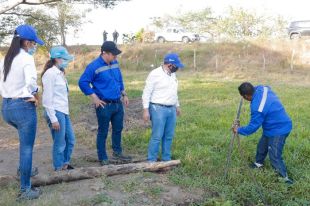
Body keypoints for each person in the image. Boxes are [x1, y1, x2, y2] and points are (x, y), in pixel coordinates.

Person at [0, 24, 44, 200]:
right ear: (26, 42)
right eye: (33, 43)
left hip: (6, 107)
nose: (34, 46)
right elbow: (31, 81)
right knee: (27, 147)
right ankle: (25, 189)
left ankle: (23, 168)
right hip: (23, 107)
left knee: (23, 140)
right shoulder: (26, 58)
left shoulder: (5, 59)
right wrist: (33, 93)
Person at [78, 41, 131, 165]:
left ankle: (117, 153)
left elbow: (119, 80)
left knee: (118, 129)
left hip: (117, 103)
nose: (115, 56)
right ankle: (103, 158)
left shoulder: (115, 63)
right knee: (103, 131)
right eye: (113, 54)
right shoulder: (93, 66)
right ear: (104, 53)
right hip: (104, 105)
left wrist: (124, 93)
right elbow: (83, 82)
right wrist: (94, 97)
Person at [232, 82, 293, 184]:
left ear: (247, 96)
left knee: (274, 155)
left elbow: (252, 128)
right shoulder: (262, 88)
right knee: (262, 146)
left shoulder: (258, 108)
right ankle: (258, 164)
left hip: (279, 129)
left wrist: (238, 129)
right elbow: (267, 86)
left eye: (243, 97)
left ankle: (285, 179)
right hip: (270, 127)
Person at [142, 53, 184, 162]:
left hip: (171, 109)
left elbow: (173, 92)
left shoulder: (173, 75)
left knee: (169, 135)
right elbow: (146, 92)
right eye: (176, 66)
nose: (178, 68)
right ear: (170, 64)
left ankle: (166, 159)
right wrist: (146, 110)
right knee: (157, 136)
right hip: (158, 109)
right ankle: (151, 160)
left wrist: (177, 105)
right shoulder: (155, 74)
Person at [42, 46, 75, 171]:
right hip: (55, 112)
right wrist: (53, 118)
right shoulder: (50, 74)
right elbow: (47, 98)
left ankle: (65, 164)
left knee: (71, 139)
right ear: (56, 58)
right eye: (64, 59)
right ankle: (58, 168)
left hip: (63, 111)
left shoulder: (60, 72)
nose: (66, 61)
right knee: (60, 142)